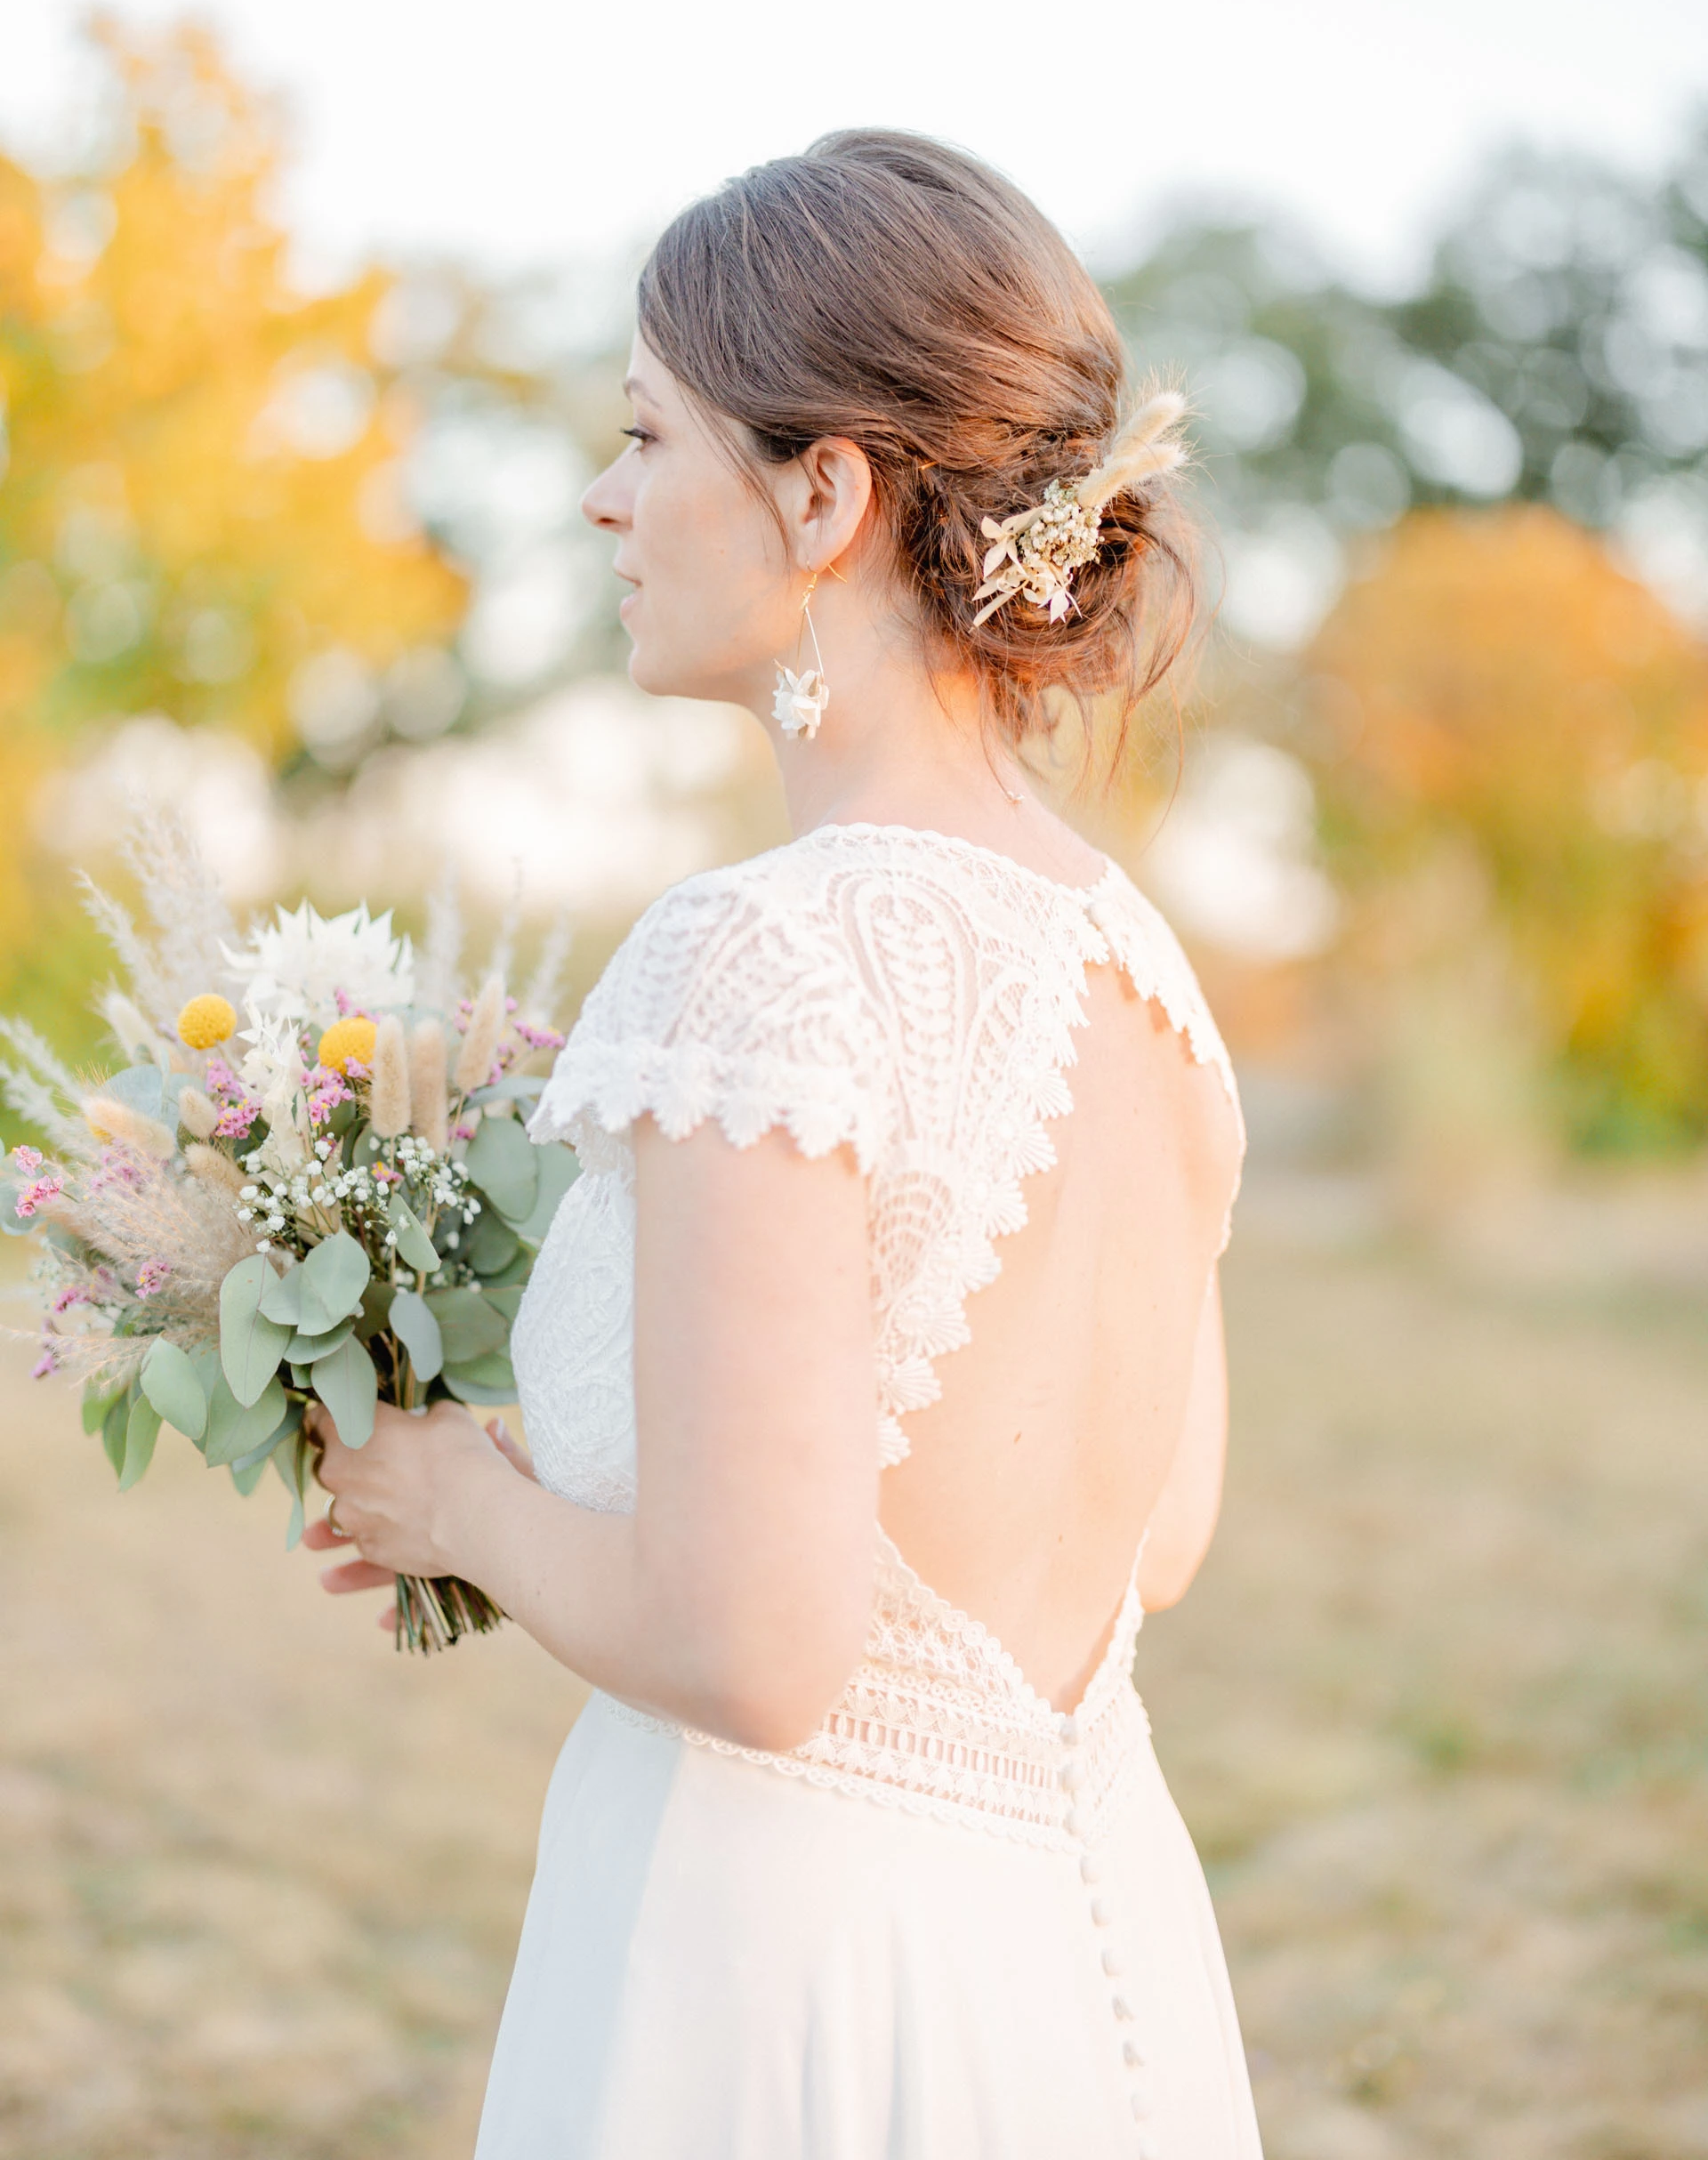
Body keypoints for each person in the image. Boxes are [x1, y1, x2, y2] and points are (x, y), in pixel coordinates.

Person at [308, 131, 1261, 2158]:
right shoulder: (1144, 969)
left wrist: (448, 1497)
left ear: (824, 494)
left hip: (789, 1977)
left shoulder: (763, 951)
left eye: (646, 433)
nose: (602, 496)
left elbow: (756, 1652)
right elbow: (1158, 1539)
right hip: (1082, 1960)